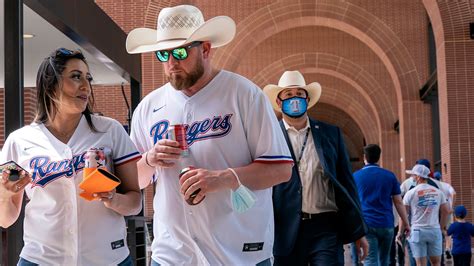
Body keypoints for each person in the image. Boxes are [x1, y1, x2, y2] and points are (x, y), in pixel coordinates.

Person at [126, 5, 293, 265]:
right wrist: (150, 159)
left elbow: (281, 169)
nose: (171, 63)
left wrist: (222, 178)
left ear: (205, 49)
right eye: (163, 54)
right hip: (172, 253)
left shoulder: (244, 95)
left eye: (180, 52)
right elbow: (133, 180)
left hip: (239, 252)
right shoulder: (148, 107)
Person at [0, 48, 142, 265]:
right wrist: (3, 194)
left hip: (108, 259)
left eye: (88, 78)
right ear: (50, 85)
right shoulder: (19, 141)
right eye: (76, 77)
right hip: (41, 260)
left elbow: (135, 202)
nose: (85, 86)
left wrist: (113, 199)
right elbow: (6, 219)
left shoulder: (110, 131)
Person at [263, 70, 368, 265]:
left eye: (299, 94)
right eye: (288, 95)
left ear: (307, 99)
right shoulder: (269, 136)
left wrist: (358, 231)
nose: (294, 99)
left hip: (325, 226)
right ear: (279, 102)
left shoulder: (330, 134)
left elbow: (346, 182)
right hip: (284, 228)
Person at [353, 144, 410, 266]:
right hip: (386, 224)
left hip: (367, 224)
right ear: (379, 157)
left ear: (364, 157)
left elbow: (352, 202)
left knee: (370, 260)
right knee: (384, 260)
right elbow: (399, 202)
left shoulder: (356, 177)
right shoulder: (389, 176)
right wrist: (406, 222)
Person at [400, 164, 449, 266]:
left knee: (420, 264)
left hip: (417, 231)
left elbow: (404, 214)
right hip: (434, 229)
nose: (412, 178)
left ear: (418, 177)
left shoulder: (411, 193)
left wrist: (400, 232)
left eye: (413, 175)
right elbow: (445, 211)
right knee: (436, 263)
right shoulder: (438, 192)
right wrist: (441, 227)